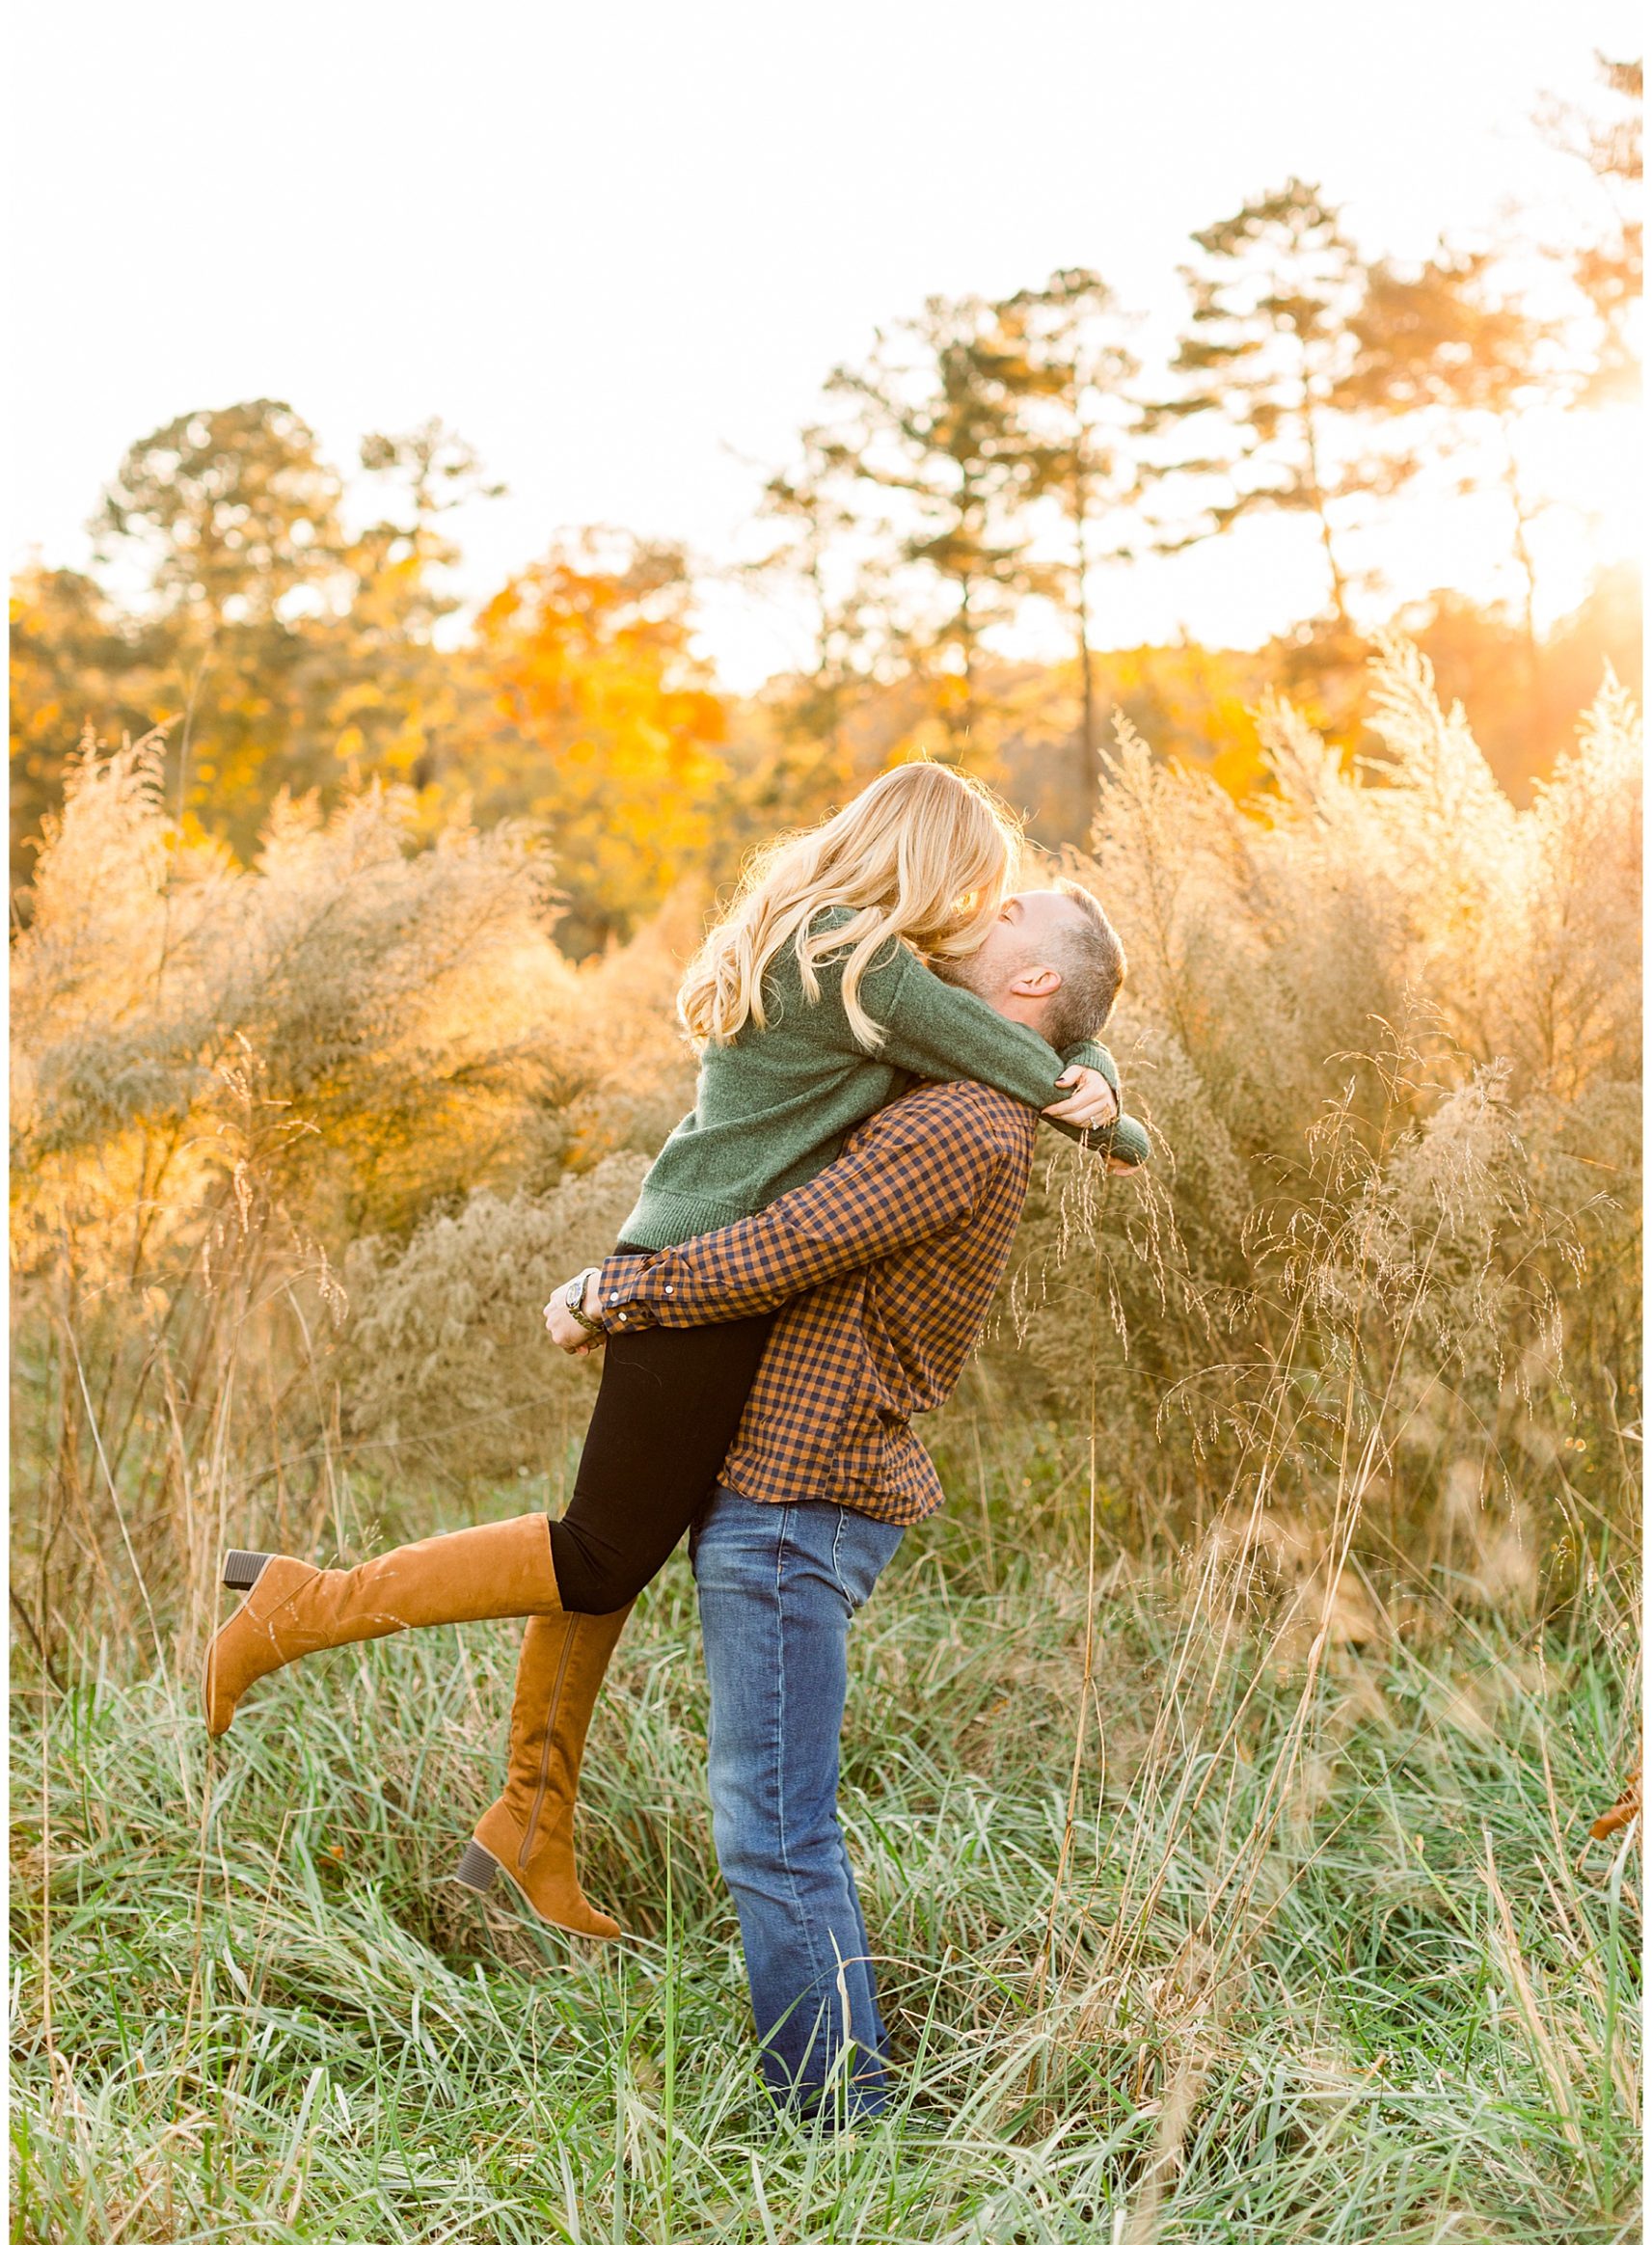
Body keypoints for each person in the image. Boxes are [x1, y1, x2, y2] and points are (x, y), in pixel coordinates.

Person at [203, 765, 1148, 1941]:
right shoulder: (858, 959)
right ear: (929, 866)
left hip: (703, 1262)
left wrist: (1095, 1072)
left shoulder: (843, 948)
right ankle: (307, 1606)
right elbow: (1022, 1055)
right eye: (982, 888)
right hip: (698, 1274)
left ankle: (531, 1829)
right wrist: (1114, 1113)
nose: (981, 909)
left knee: (610, 1543)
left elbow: (1041, 1041)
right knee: (597, 1553)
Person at [543, 881, 1140, 2123]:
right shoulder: (965, 1080)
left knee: (775, 1831)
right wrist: (1098, 1074)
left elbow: (781, 1245)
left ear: (1030, 983)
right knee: (777, 1819)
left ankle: (839, 2125)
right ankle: (841, 2097)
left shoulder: (963, 1123)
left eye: (1018, 905)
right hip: (790, 1489)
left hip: (797, 1499)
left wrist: (614, 1293)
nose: (995, 896)